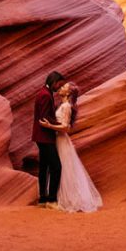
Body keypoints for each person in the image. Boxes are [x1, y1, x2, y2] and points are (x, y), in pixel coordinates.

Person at [39, 81, 102, 213]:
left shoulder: (66, 106)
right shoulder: (62, 105)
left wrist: (49, 126)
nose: (60, 88)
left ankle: (66, 199)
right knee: (59, 168)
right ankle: (56, 197)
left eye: (63, 87)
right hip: (57, 140)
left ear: (68, 93)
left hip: (61, 140)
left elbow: (65, 127)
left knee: (62, 167)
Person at [32, 71, 65, 208]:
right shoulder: (46, 95)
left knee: (44, 167)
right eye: (59, 84)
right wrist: (61, 125)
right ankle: (51, 200)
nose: (59, 88)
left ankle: (42, 199)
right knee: (56, 167)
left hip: (41, 136)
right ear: (54, 81)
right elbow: (45, 117)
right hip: (45, 137)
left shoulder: (44, 92)